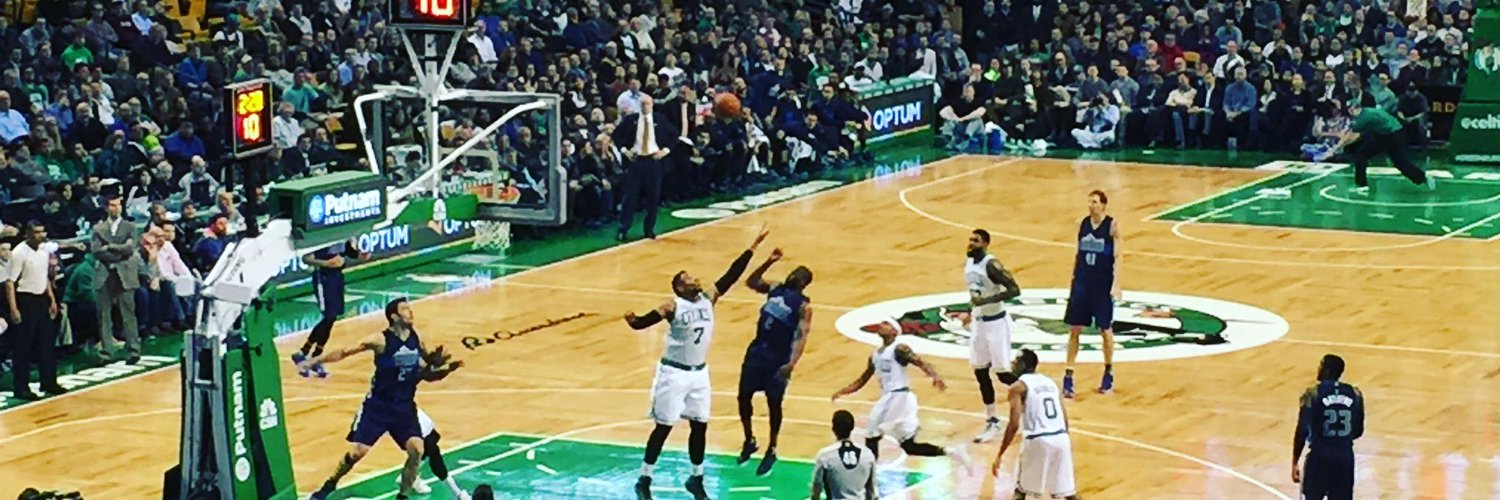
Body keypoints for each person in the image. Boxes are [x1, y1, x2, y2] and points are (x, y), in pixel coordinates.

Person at [624, 225, 768, 499]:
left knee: (700, 424)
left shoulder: (707, 298)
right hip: (673, 373)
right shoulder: (672, 306)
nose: (695, 279)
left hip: (699, 374)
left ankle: (696, 477)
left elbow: (732, 275)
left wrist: (754, 246)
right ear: (680, 288)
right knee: (664, 427)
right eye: (688, 279)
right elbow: (643, 322)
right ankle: (644, 478)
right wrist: (634, 321)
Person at [303, 298, 463, 500]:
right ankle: (328, 485)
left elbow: (427, 372)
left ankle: (402, 496)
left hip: (404, 408)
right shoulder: (380, 340)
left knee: (417, 450)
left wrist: (444, 368)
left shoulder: (417, 339)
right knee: (357, 453)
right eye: (405, 309)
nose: (410, 312)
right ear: (394, 317)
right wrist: (315, 360)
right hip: (378, 407)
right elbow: (345, 351)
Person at [831, 319, 970, 471]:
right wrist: (844, 391)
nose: (881, 325)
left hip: (897, 395)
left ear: (894, 332)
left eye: (886, 324)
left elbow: (920, 362)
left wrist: (935, 376)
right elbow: (862, 379)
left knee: (871, 432)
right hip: (899, 400)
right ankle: (951, 452)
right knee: (908, 446)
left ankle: (870, 472)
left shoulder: (899, 349)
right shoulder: (875, 356)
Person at [736, 248, 814, 475]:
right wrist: (768, 262)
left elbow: (801, 336)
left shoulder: (803, 306)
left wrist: (792, 363)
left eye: (798, 275)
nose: (793, 276)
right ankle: (749, 439)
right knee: (743, 396)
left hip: (778, 357)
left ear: (803, 283)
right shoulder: (775, 289)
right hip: (757, 350)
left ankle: (772, 447)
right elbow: (751, 281)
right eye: (794, 272)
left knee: (774, 404)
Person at [989, 349, 1079, 500]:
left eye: (1016, 361)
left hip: (1038, 439)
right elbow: (1064, 419)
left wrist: (1000, 453)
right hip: (1062, 438)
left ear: (1023, 365)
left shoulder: (1017, 387)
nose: (1012, 364)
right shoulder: (1052, 383)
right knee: (1069, 494)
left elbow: (1013, 424)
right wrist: (1064, 443)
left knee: (1021, 491)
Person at [966, 229, 1022, 443]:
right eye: (970, 239)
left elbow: (1015, 289)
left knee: (1003, 374)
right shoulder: (969, 262)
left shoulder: (991, 265)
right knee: (980, 371)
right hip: (979, 322)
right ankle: (992, 421)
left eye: (976, 240)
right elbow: (975, 293)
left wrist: (987, 301)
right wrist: (969, 311)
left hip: (996, 323)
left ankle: (1033, 399)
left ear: (985, 244)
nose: (971, 243)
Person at [1063, 190, 1121, 398]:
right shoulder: (1082, 224)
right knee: (1074, 328)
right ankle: (1068, 375)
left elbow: (1118, 256)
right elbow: (1077, 254)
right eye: (1089, 202)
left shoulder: (1112, 225)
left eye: (1095, 202)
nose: (1091, 205)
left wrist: (1116, 284)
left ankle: (1108, 371)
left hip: (1102, 283)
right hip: (1082, 282)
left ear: (1103, 205)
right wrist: (1072, 279)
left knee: (1105, 329)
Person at [293, 237, 370, 377]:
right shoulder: (321, 236)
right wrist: (326, 263)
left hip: (337, 277)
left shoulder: (344, 234)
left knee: (332, 318)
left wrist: (360, 255)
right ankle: (311, 355)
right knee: (329, 317)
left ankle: (307, 354)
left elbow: (347, 251)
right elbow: (306, 258)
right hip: (322, 278)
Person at [5, 221, 64, 400]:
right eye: (36, 232)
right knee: (23, 346)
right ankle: (21, 387)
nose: (41, 235)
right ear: (27, 234)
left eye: (42, 232)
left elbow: (44, 276)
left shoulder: (44, 250)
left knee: (46, 343)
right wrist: (14, 309)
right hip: (25, 299)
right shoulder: (19, 253)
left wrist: (51, 299)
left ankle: (49, 381)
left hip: (41, 299)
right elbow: (10, 283)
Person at [1293, 354, 1364, 500]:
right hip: (1344, 458)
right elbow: (1358, 431)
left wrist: (1295, 461)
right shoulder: (1355, 394)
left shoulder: (1313, 393)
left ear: (1326, 370)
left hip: (1320, 457)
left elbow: (1302, 430)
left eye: (1320, 366)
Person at [612, 94, 678, 242]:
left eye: (647, 104)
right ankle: (623, 229)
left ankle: (649, 229)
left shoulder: (660, 119)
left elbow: (674, 134)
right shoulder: (631, 120)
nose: (645, 106)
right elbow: (616, 135)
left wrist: (665, 151)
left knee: (653, 196)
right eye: (642, 104)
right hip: (636, 160)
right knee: (630, 196)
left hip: (653, 161)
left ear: (652, 105)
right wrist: (625, 150)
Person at [1334, 101, 1432, 196]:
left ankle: (1422, 178)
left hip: (1393, 136)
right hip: (1385, 134)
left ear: (1353, 109)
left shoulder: (1364, 118)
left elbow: (1353, 136)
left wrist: (1337, 148)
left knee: (1400, 163)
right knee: (1362, 155)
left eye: (1350, 110)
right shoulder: (1368, 111)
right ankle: (1361, 184)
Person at [91, 195, 141, 364]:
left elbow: (130, 249)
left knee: (128, 314)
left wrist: (111, 247)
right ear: (106, 208)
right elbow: (97, 251)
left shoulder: (130, 226)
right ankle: (106, 352)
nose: (116, 208)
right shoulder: (98, 228)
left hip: (124, 274)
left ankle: (133, 350)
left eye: (119, 205)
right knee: (103, 315)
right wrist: (119, 252)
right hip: (104, 274)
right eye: (112, 205)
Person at [391, 408, 471, 500]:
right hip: (412, 425)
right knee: (434, 458)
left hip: (416, 421)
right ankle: (458, 493)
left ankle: (411, 476)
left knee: (425, 450)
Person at [809, 409, 876, 500]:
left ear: (833, 428)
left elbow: (817, 486)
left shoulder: (825, 456)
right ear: (852, 427)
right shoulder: (867, 454)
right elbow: (871, 490)